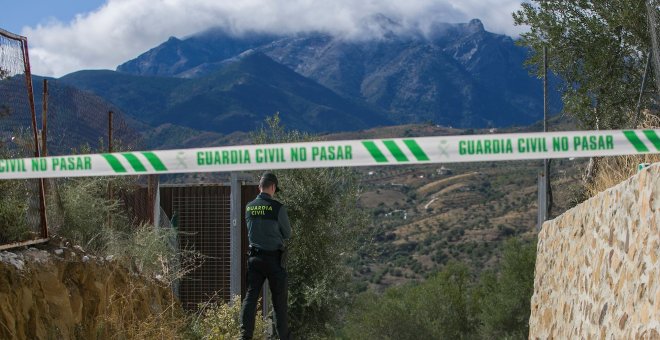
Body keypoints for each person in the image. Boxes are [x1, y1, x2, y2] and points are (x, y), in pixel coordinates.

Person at [240, 172, 292, 340]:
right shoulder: (278, 208)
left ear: (259, 187)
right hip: (274, 260)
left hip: (254, 259)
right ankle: (283, 337)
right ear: (273, 187)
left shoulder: (249, 207)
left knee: (250, 297)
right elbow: (287, 234)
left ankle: (244, 336)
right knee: (279, 303)